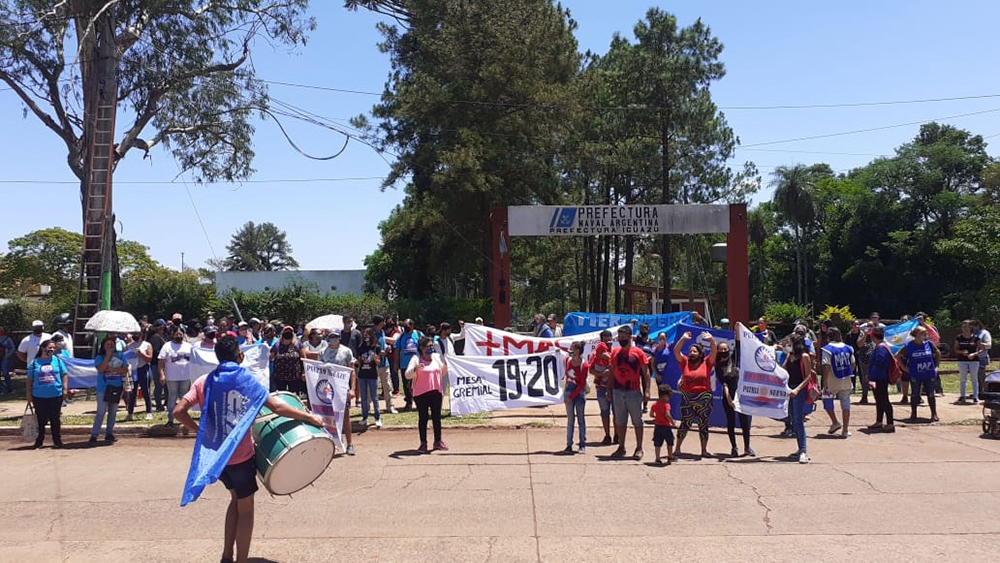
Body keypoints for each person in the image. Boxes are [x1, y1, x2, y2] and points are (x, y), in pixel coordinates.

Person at [174, 335, 324, 563]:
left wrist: (200, 431)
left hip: (218, 459)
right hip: (241, 458)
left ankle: (227, 556)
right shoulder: (245, 379)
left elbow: (178, 412)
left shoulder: (204, 381)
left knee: (235, 500)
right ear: (240, 356)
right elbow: (276, 406)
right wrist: (308, 416)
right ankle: (241, 560)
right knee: (246, 509)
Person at [672, 331, 716, 459]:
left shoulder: (707, 362)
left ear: (700, 354)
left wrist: (711, 340)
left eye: (694, 351)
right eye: (690, 351)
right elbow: (676, 351)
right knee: (685, 423)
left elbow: (714, 352)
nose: (691, 353)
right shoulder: (684, 362)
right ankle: (677, 448)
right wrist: (683, 338)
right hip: (687, 397)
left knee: (703, 424)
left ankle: (704, 450)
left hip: (704, 397)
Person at [609, 325, 650, 460]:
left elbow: (646, 373)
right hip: (617, 391)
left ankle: (639, 448)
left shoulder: (638, 352)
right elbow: (611, 372)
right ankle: (621, 446)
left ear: (629, 337)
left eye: (624, 337)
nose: (621, 340)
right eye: (619, 337)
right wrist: (609, 389)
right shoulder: (615, 352)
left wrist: (647, 391)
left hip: (633, 391)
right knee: (620, 421)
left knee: (637, 421)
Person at [405, 336, 448, 453]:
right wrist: (415, 368)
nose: (431, 348)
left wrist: (446, 365)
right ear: (421, 348)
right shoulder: (416, 359)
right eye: (428, 346)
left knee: (436, 417)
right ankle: (423, 443)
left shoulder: (436, 357)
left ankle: (438, 441)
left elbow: (442, 373)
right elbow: (407, 375)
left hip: (436, 392)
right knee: (423, 418)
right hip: (421, 394)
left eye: (432, 346)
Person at [321, 330, 357, 455]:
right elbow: (317, 370)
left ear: (340, 337)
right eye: (331, 337)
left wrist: (352, 389)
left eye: (336, 337)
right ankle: (331, 443)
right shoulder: (323, 352)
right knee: (328, 417)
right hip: (327, 389)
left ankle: (350, 444)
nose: (334, 339)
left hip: (342, 388)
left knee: (345, 416)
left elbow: (352, 371)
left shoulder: (346, 351)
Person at [26, 339, 67, 448]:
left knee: (55, 419)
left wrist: (65, 388)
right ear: (43, 348)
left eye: (53, 348)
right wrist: (29, 394)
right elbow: (29, 379)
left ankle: (57, 441)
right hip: (39, 396)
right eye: (50, 348)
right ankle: (39, 441)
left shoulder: (57, 361)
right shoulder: (35, 363)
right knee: (41, 420)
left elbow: (64, 374)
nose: (52, 350)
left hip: (56, 395)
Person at [718, 340, 754, 456]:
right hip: (729, 397)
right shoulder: (718, 365)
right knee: (731, 422)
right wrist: (729, 399)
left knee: (744, 422)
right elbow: (724, 384)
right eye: (721, 349)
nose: (723, 351)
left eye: (725, 349)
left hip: (741, 396)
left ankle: (747, 447)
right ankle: (734, 447)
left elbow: (738, 346)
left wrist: (738, 330)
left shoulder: (733, 360)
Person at [899, 326, 940, 423]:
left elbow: (938, 353)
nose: (925, 335)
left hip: (929, 373)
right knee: (915, 394)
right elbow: (898, 356)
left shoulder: (929, 344)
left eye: (926, 333)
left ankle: (934, 413)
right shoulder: (909, 346)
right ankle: (913, 414)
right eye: (923, 333)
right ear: (917, 335)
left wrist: (936, 366)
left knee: (930, 393)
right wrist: (904, 368)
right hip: (915, 373)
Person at [91, 335, 128, 444]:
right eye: (107, 345)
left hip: (116, 386)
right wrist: (107, 356)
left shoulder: (120, 355)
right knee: (101, 412)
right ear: (103, 346)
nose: (110, 347)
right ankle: (94, 435)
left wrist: (113, 369)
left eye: (112, 345)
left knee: (113, 411)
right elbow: (101, 369)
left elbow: (125, 369)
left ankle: (109, 433)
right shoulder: (99, 357)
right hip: (103, 388)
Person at [785, 333, 815, 462]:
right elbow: (783, 370)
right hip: (789, 389)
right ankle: (799, 448)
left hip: (799, 390)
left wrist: (797, 389)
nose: (788, 345)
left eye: (789, 343)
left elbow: (809, 376)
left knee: (798, 420)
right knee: (792, 418)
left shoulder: (804, 356)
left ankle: (803, 450)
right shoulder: (790, 356)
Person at [820, 328, 855, 439]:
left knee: (827, 400)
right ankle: (845, 430)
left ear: (828, 337)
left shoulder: (827, 349)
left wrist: (825, 381)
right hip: (846, 379)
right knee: (846, 404)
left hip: (831, 380)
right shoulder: (849, 348)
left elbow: (826, 365)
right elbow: (853, 364)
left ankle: (835, 422)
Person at [158, 325, 193, 428]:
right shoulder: (167, 346)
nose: (179, 336)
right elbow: (161, 362)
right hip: (171, 377)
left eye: (180, 334)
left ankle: (184, 420)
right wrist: (161, 374)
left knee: (184, 399)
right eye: (177, 334)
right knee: (172, 398)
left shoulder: (189, 346)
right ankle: (170, 419)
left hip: (186, 376)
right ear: (172, 335)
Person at [588, 330, 615, 445]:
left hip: (614, 387)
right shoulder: (595, 355)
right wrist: (601, 374)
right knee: (604, 412)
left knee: (617, 413)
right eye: (605, 338)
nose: (607, 340)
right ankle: (607, 435)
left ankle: (618, 435)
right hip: (601, 387)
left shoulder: (615, 353)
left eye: (609, 338)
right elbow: (591, 369)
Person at [867, 327, 896, 432]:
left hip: (880, 378)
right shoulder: (880, 346)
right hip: (878, 377)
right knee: (879, 400)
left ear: (874, 336)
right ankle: (879, 421)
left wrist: (871, 376)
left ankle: (890, 423)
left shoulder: (881, 348)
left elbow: (880, 361)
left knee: (884, 400)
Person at [563, 341, 588, 454]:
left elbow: (582, 383)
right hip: (569, 389)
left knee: (581, 419)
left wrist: (572, 396)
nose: (571, 350)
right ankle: (569, 444)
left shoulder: (584, 365)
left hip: (579, 392)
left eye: (573, 348)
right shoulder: (568, 361)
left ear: (578, 350)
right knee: (570, 420)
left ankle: (582, 444)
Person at [357, 329, 383, 429]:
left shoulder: (376, 347)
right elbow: (359, 361)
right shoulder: (360, 347)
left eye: (367, 335)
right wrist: (357, 362)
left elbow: (378, 362)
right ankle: (364, 417)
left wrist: (377, 360)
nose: (365, 337)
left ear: (371, 336)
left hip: (372, 375)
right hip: (362, 375)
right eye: (364, 335)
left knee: (374, 397)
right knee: (363, 398)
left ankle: (377, 417)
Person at [126, 328, 154, 421]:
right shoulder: (129, 346)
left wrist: (141, 354)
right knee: (132, 392)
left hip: (143, 369)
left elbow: (149, 358)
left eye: (138, 334)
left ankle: (149, 412)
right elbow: (125, 357)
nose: (136, 336)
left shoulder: (147, 345)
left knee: (145, 391)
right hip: (133, 370)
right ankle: (130, 413)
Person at [372, 316, 396, 414]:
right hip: (374, 365)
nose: (384, 324)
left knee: (388, 386)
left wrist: (387, 347)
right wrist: (378, 352)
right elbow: (369, 347)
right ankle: (370, 408)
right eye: (383, 322)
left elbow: (383, 343)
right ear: (379, 322)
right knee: (372, 388)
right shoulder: (371, 333)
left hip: (385, 364)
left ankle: (390, 407)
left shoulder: (382, 332)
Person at [270, 326, 304, 394]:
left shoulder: (298, 344)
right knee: (281, 397)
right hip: (280, 377)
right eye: (286, 332)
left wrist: (303, 372)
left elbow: (303, 359)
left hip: (294, 377)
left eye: (289, 332)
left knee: (294, 396)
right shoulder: (277, 345)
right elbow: (270, 357)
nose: (287, 334)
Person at [954, 320, 981, 405]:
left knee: (974, 378)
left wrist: (974, 354)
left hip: (974, 360)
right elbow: (955, 349)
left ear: (970, 327)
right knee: (963, 378)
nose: (965, 329)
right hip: (962, 360)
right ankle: (962, 396)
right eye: (963, 327)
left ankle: (975, 396)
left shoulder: (976, 338)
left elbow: (981, 349)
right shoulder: (959, 337)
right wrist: (962, 352)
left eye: (966, 327)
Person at [397, 319, 421, 411]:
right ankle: (409, 403)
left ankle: (419, 403)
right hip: (404, 364)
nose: (405, 328)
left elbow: (424, 346)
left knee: (417, 384)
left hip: (417, 364)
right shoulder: (401, 336)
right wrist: (396, 363)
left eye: (407, 326)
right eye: (404, 326)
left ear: (412, 325)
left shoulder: (418, 334)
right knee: (406, 385)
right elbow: (397, 349)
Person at [650, 384, 676, 465]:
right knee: (669, 441)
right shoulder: (666, 405)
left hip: (657, 426)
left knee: (657, 443)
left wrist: (655, 416)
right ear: (665, 396)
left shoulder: (654, 404)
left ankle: (657, 458)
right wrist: (672, 422)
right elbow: (667, 415)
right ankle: (670, 455)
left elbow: (651, 414)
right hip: (666, 427)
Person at [148, 319, 168, 411]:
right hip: (156, 364)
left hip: (165, 364)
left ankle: (167, 403)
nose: (163, 328)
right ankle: (158, 405)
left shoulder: (163, 336)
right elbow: (156, 351)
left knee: (166, 385)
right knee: (159, 385)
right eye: (161, 326)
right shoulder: (155, 337)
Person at [972, 319, 992, 401]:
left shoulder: (985, 333)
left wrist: (980, 344)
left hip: (981, 357)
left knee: (981, 376)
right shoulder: (973, 333)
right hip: (973, 357)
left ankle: (985, 392)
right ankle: (978, 392)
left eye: (972, 325)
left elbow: (989, 345)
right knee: (975, 377)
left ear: (977, 325)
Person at [0, 326, 15, 394]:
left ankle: (10, 388)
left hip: (5, 358)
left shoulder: (7, 339)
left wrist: (8, 355)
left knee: (5, 373)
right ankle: (1, 389)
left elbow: (12, 348)